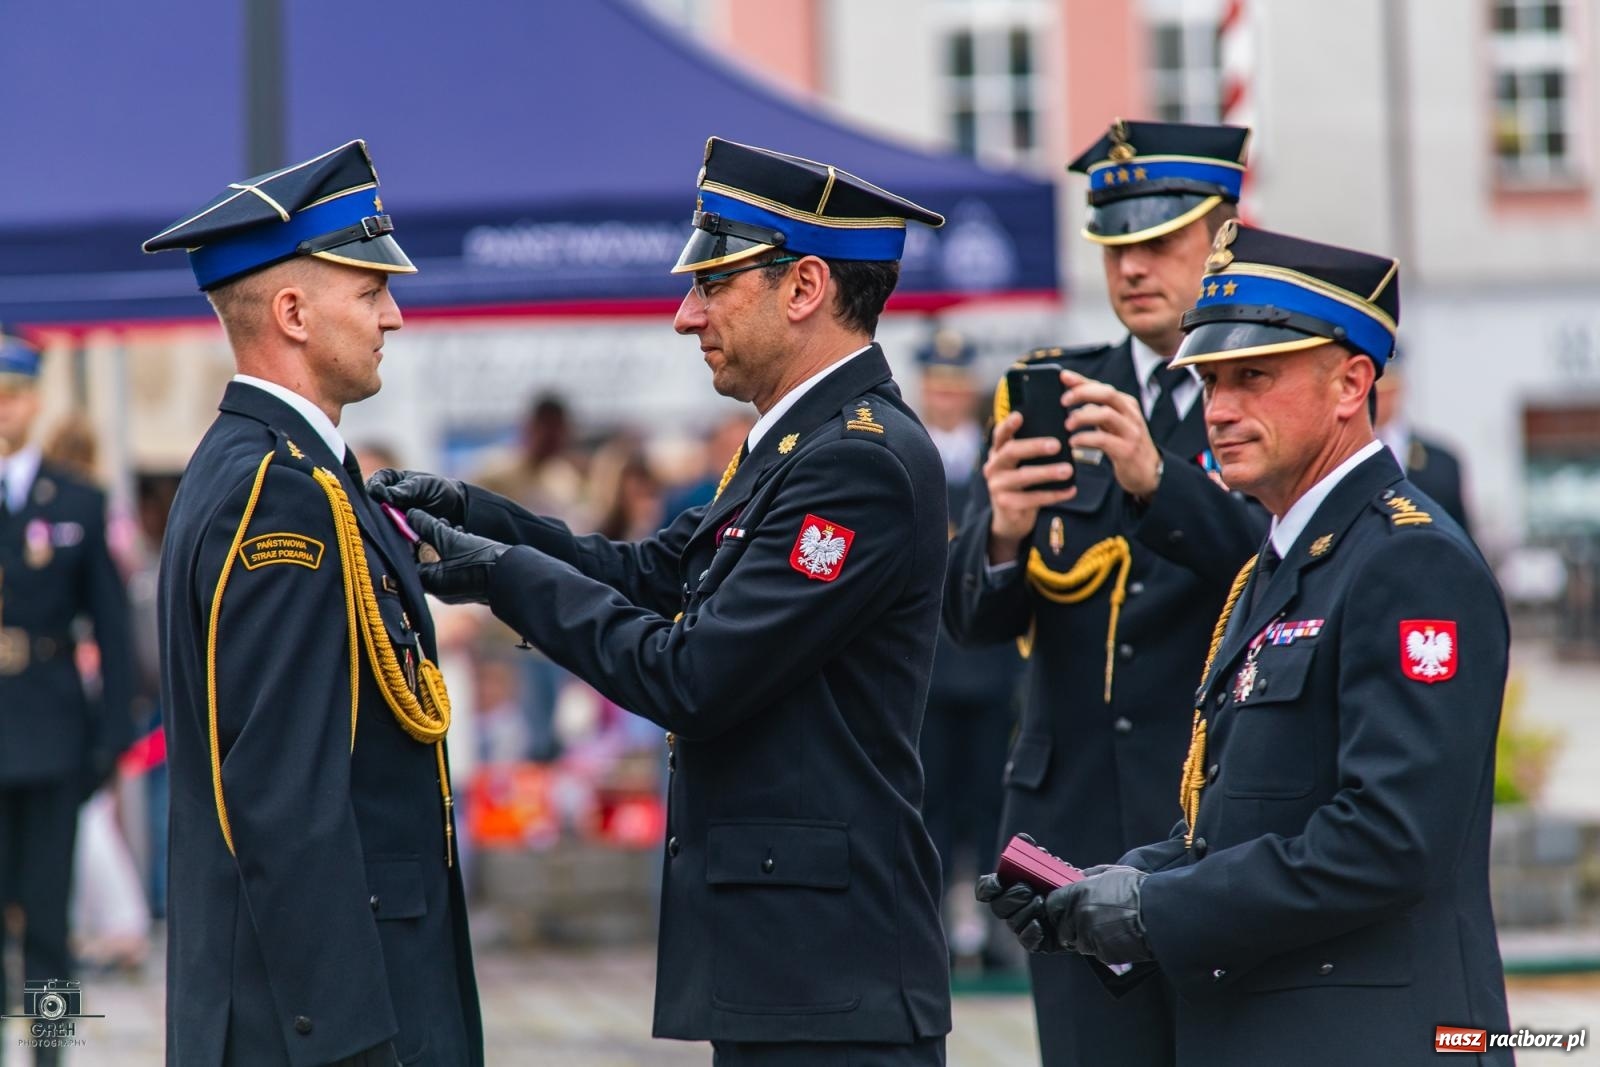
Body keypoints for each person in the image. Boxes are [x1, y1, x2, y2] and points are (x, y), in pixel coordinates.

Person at [373, 137, 952, 1065]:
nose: (687, 315)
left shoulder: (856, 462)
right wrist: (480, 521)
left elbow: (692, 674)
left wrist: (501, 575)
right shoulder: (794, 442)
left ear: (803, 288)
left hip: (828, 979)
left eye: (714, 284)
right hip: (789, 965)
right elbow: (650, 573)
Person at [983, 224, 1512, 1066]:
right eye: (1211, 380)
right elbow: (1234, 817)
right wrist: (1100, 891)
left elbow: (1387, 838)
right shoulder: (1280, 559)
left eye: (1253, 378)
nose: (1220, 409)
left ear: (1351, 382)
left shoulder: (1407, 560)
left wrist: (1156, 908)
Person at [143, 140, 482, 1066]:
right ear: (291, 312)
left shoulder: (289, 471)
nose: (396, 316)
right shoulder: (278, 492)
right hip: (329, 1014)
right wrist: (345, 1039)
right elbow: (282, 795)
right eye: (371, 292)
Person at [943, 119, 1264, 1066]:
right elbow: (971, 619)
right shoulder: (1047, 390)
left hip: (1210, 814)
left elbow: (1276, 568)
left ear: (1224, 237)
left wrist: (1160, 481)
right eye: (1116, 245)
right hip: (1068, 817)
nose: (1132, 267)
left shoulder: (1254, 393)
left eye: (1161, 242)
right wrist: (997, 532)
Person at [0, 335, 132, 1067]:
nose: (2, 410)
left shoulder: (76, 500)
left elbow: (112, 632)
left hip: (51, 731)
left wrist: (109, 740)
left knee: (50, 920)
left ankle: (51, 1053)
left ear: (36, 400)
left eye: (13, 394)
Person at [912, 329, 1023, 974]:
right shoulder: (908, 454)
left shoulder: (992, 463)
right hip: (927, 664)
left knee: (988, 804)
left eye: (956, 388)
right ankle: (929, 926)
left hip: (986, 661)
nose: (947, 399)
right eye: (938, 387)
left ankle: (992, 924)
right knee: (930, 803)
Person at [1375, 364, 1472, 535]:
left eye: (1385, 392)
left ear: (1399, 389)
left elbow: (1460, 535)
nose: (1378, 402)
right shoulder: (1341, 457)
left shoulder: (1441, 463)